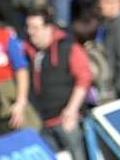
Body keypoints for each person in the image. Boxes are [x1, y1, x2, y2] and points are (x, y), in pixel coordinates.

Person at [23, 9, 91, 160]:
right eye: (28, 27)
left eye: (35, 27)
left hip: (66, 120)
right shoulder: (29, 51)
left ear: (48, 28)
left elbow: (84, 78)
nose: (30, 32)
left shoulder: (67, 47)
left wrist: (72, 110)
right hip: (43, 123)